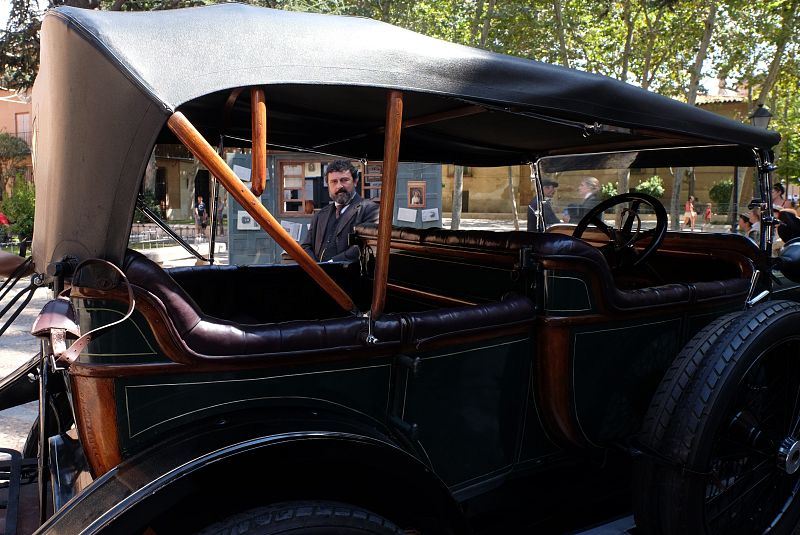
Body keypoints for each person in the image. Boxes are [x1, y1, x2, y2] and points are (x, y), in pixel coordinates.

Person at [301, 160, 379, 263]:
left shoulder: (371, 210)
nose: (339, 186)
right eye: (334, 181)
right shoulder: (320, 215)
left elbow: (366, 245)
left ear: (355, 181)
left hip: (351, 276)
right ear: (328, 185)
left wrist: (331, 264)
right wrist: (316, 267)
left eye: (344, 180)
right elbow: (306, 246)